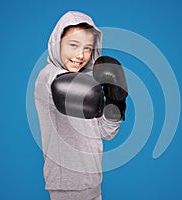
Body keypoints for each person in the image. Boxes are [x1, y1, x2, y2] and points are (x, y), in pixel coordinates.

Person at [34, 11, 127, 200]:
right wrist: (93, 94)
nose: (80, 55)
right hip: (67, 187)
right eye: (73, 45)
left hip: (93, 183)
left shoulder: (85, 80)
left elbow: (106, 133)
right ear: (57, 43)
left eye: (87, 48)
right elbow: (59, 84)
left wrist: (115, 101)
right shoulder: (49, 76)